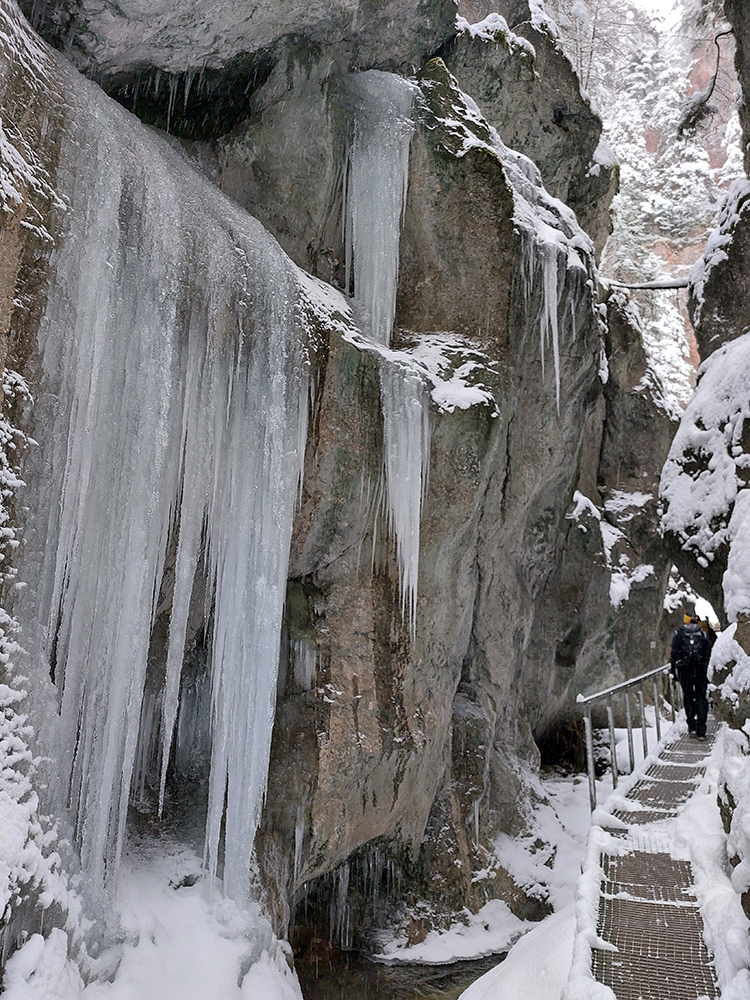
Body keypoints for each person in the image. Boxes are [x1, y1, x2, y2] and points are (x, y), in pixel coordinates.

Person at [670, 613, 712, 739]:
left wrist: (674, 672)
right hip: (700, 670)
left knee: (688, 696)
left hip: (684, 670)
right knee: (701, 697)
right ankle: (701, 730)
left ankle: (692, 726)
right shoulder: (702, 633)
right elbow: (708, 652)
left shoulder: (679, 634)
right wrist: (705, 668)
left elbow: (674, 654)